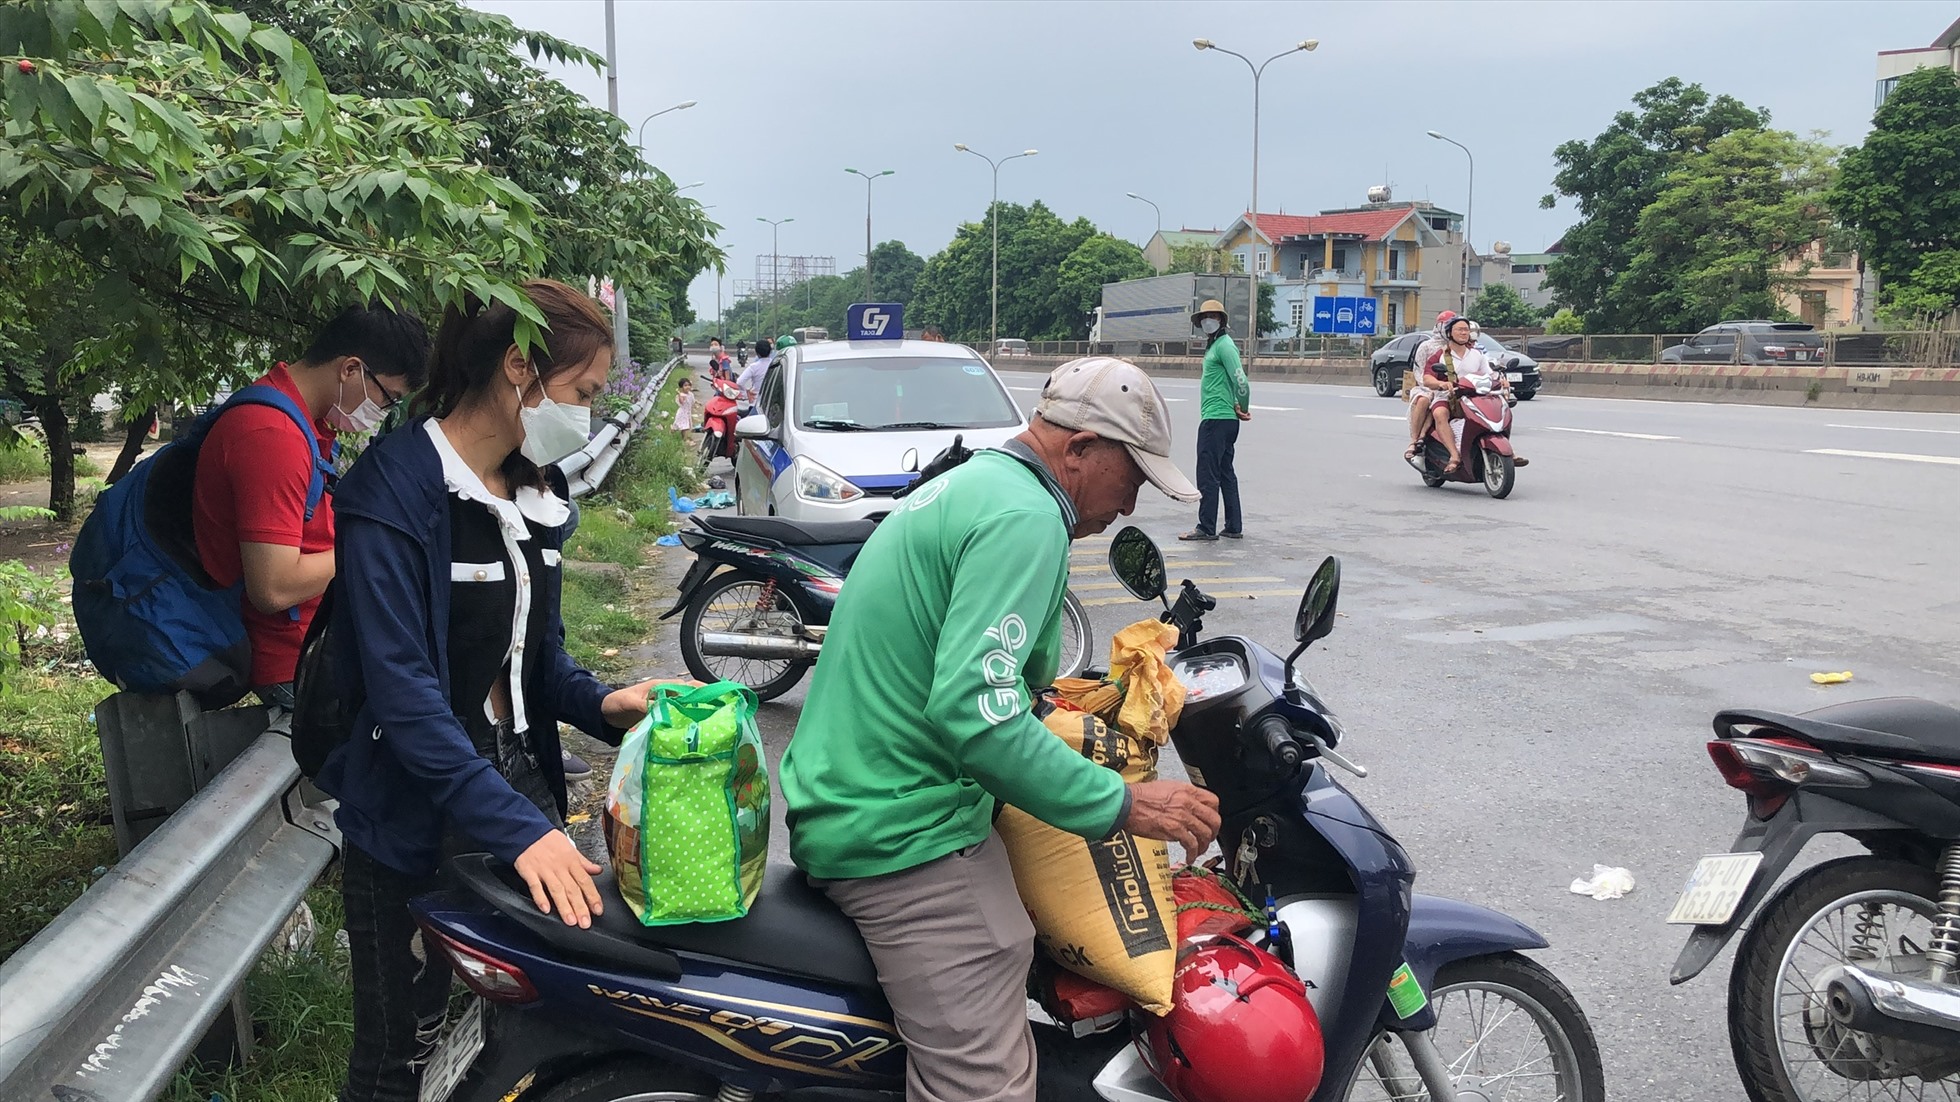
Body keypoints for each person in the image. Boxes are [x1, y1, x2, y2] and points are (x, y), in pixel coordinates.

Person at [782, 356, 1222, 1102]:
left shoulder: (978, 485)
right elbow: (974, 714)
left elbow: (981, 681)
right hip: (900, 829)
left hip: (856, 791)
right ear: (1080, 449)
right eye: (1133, 478)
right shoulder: (1026, 518)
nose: (1129, 506)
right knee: (984, 1082)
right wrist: (1124, 805)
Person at [317, 279, 672, 1102]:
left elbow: (535, 662)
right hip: (413, 812)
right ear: (519, 367)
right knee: (401, 1054)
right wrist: (523, 834)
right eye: (581, 393)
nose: (583, 416)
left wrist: (604, 703)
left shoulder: (534, 491)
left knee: (528, 1028)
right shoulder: (395, 493)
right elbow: (404, 697)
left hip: (513, 786)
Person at [192, 301, 430, 720]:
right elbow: (274, 588)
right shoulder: (273, 436)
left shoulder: (301, 420)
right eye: (388, 398)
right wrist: (372, 547)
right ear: (351, 369)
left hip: (319, 643)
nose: (383, 412)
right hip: (295, 662)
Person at [1180, 298, 1249, 542]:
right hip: (1223, 419)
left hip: (1217, 418)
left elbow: (1241, 380)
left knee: (1208, 473)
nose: (1207, 321)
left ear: (1220, 320)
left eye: (1213, 316)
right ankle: (1233, 526)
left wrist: (1244, 406)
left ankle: (1206, 527)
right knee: (1225, 472)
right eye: (1204, 317)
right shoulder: (1216, 345)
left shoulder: (1224, 346)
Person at [1405, 310, 1456, 459]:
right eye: (1447, 326)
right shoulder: (1427, 346)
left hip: (1450, 387)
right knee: (1425, 400)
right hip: (1426, 386)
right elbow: (1419, 370)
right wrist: (1432, 386)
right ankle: (1415, 439)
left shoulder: (1459, 346)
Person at [736, 337, 772, 414]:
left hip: (756, 403)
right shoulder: (775, 364)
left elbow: (739, 382)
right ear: (770, 351)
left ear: (757, 353)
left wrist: (747, 393)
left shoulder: (754, 367)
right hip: (772, 405)